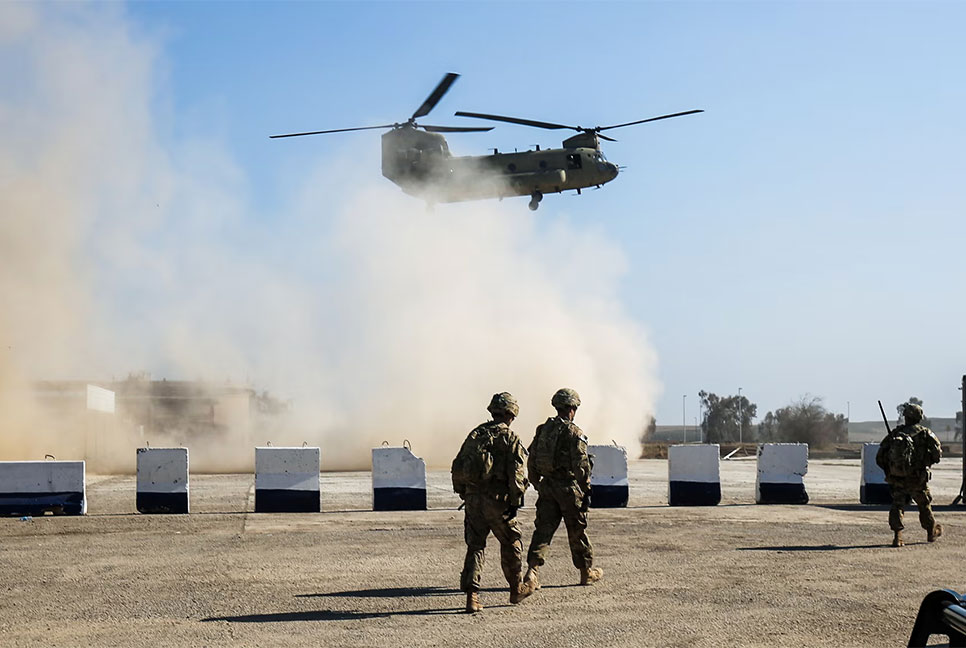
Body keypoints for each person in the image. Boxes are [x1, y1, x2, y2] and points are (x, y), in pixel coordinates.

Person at [451, 392, 534, 613]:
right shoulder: (510, 438)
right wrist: (515, 501)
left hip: (473, 500)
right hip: (497, 502)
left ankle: (472, 597)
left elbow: (458, 467)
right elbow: (517, 477)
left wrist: (465, 493)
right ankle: (516, 588)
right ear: (511, 414)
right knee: (511, 542)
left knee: (476, 546)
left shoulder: (476, 434)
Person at [523, 388, 602, 591]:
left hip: (547, 487)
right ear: (572, 409)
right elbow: (581, 466)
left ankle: (532, 572)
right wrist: (586, 489)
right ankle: (586, 573)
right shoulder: (575, 433)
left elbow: (531, 460)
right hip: (568, 488)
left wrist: (537, 483)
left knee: (543, 530)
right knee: (577, 531)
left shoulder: (543, 430)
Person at [875, 403, 943, 547]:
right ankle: (931, 531)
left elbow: (879, 457)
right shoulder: (925, 433)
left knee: (897, 505)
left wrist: (892, 470)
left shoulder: (895, 434)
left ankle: (897, 536)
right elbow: (937, 455)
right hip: (917, 477)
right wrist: (926, 461)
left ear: (905, 417)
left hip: (898, 478)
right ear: (919, 417)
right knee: (924, 504)